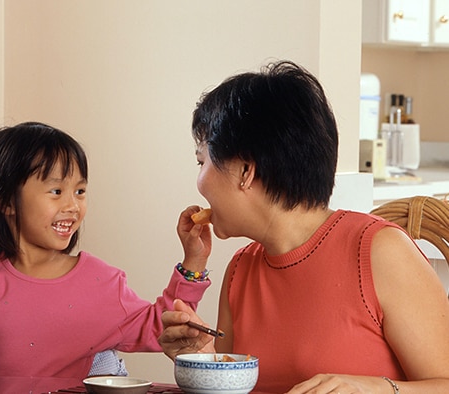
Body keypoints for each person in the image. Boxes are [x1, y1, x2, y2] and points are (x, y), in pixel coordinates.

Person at [158, 61, 449, 393]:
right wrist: (203, 358)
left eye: (202, 161)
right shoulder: (241, 269)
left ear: (246, 170)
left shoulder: (381, 252)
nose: (199, 182)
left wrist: (376, 389)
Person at [0, 122, 213, 393]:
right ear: (5, 200)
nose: (72, 206)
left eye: (80, 191)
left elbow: (160, 326)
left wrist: (193, 261)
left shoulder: (100, 280)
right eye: (56, 192)